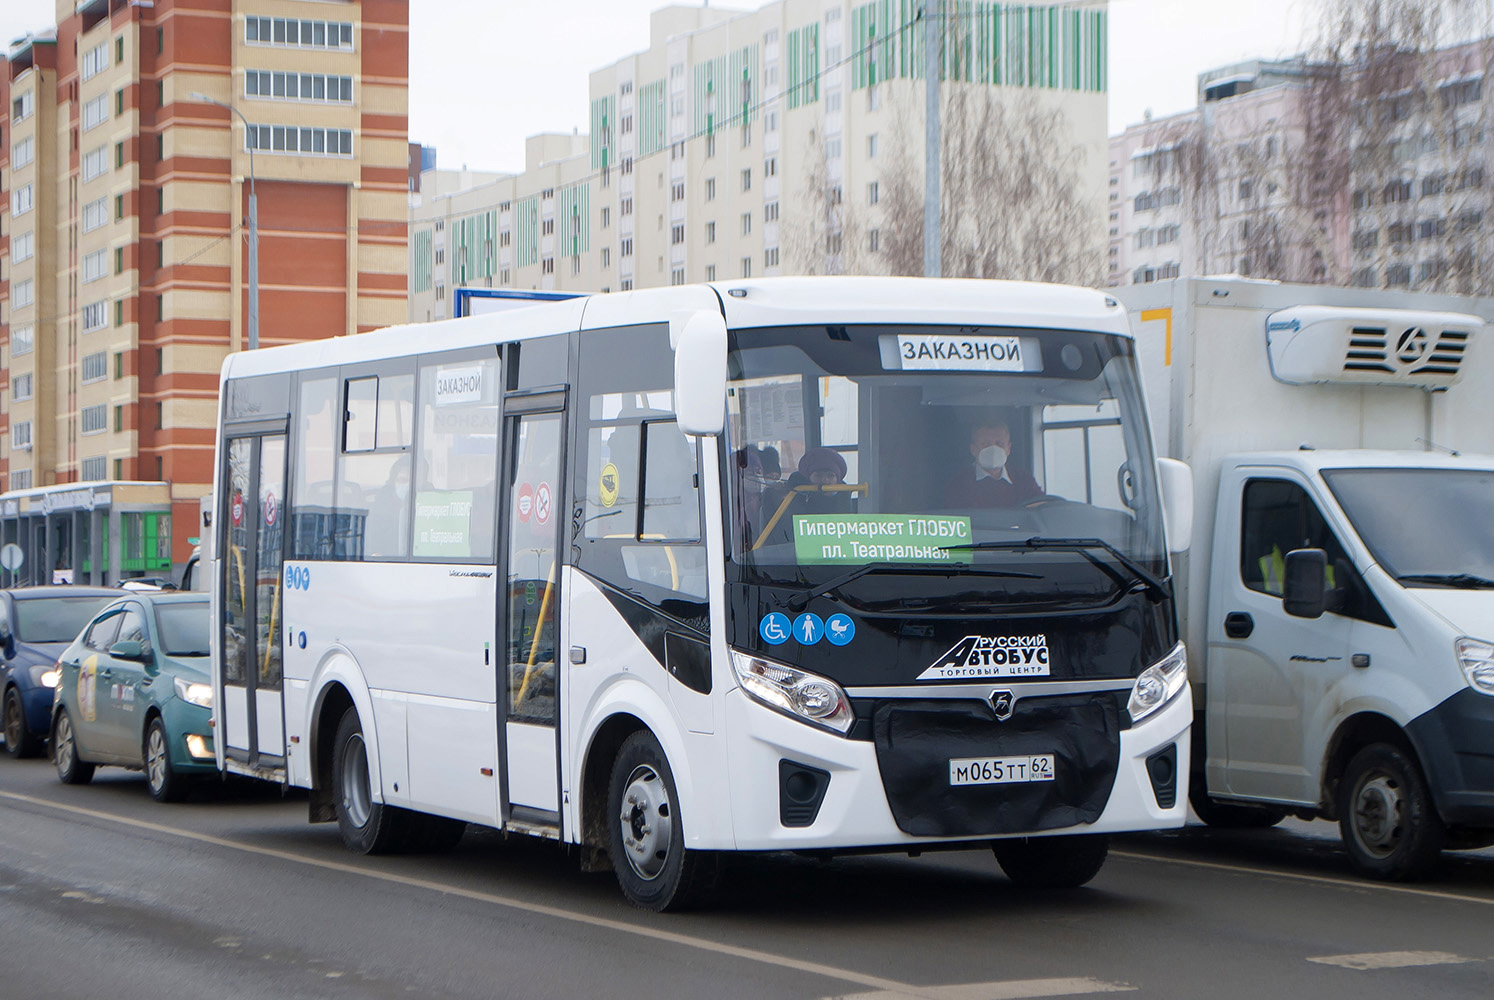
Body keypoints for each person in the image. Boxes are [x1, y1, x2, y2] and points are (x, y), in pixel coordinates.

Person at [944, 421, 1044, 508]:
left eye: (999, 444)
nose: (993, 449)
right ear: (973, 449)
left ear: (1008, 448)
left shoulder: (1023, 479)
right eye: (985, 444)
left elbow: (1041, 507)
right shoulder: (959, 483)